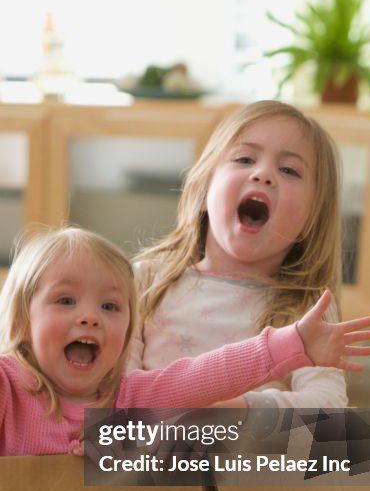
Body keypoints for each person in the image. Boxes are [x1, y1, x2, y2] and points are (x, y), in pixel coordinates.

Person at [0, 227, 370, 457]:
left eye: (110, 307)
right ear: (21, 324)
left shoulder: (133, 398)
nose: (90, 318)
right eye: (65, 301)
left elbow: (214, 372)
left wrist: (295, 345)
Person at [131, 100, 350, 409]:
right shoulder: (144, 280)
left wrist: (242, 409)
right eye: (245, 159)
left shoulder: (307, 308)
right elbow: (113, 385)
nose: (263, 174)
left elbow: (328, 406)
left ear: (311, 219)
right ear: (205, 191)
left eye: (289, 170)